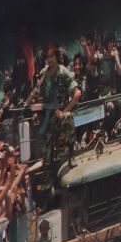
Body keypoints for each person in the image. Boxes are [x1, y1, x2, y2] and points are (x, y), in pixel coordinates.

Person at [37, 47, 81, 189]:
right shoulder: (43, 74)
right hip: (49, 115)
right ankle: (48, 183)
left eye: (52, 56)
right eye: (47, 57)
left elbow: (77, 94)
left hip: (61, 113)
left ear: (56, 57)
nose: (49, 60)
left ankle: (71, 155)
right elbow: (40, 96)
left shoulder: (64, 72)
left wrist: (63, 111)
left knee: (68, 117)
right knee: (45, 148)